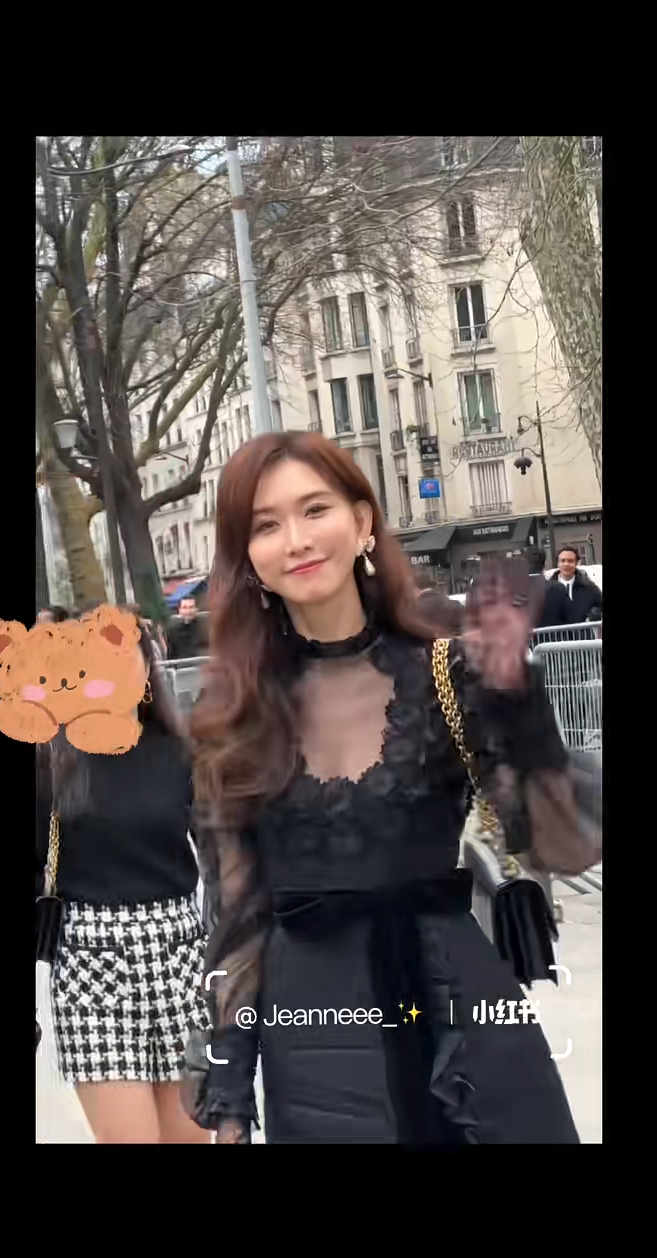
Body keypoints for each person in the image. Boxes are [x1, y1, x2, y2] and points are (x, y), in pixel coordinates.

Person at [188, 430, 597, 1145]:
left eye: (315, 510)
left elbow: (563, 849)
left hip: (466, 1025)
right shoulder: (232, 717)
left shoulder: (450, 673)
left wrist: (524, 709)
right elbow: (236, 921)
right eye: (265, 525)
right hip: (315, 1047)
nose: (296, 540)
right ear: (247, 556)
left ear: (362, 522)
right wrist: (227, 1093)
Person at [36, 611, 212, 1144]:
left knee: (191, 1137)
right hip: (92, 966)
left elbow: (226, 857)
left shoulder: (181, 750)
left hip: (180, 956)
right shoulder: (51, 757)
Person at [544, 546, 602, 626]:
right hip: (556, 632)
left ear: (577, 563)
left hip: (583, 632)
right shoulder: (548, 589)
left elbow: (599, 606)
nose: (566, 564)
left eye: (570, 561)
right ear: (558, 563)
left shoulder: (589, 587)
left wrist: (592, 616)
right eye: (563, 561)